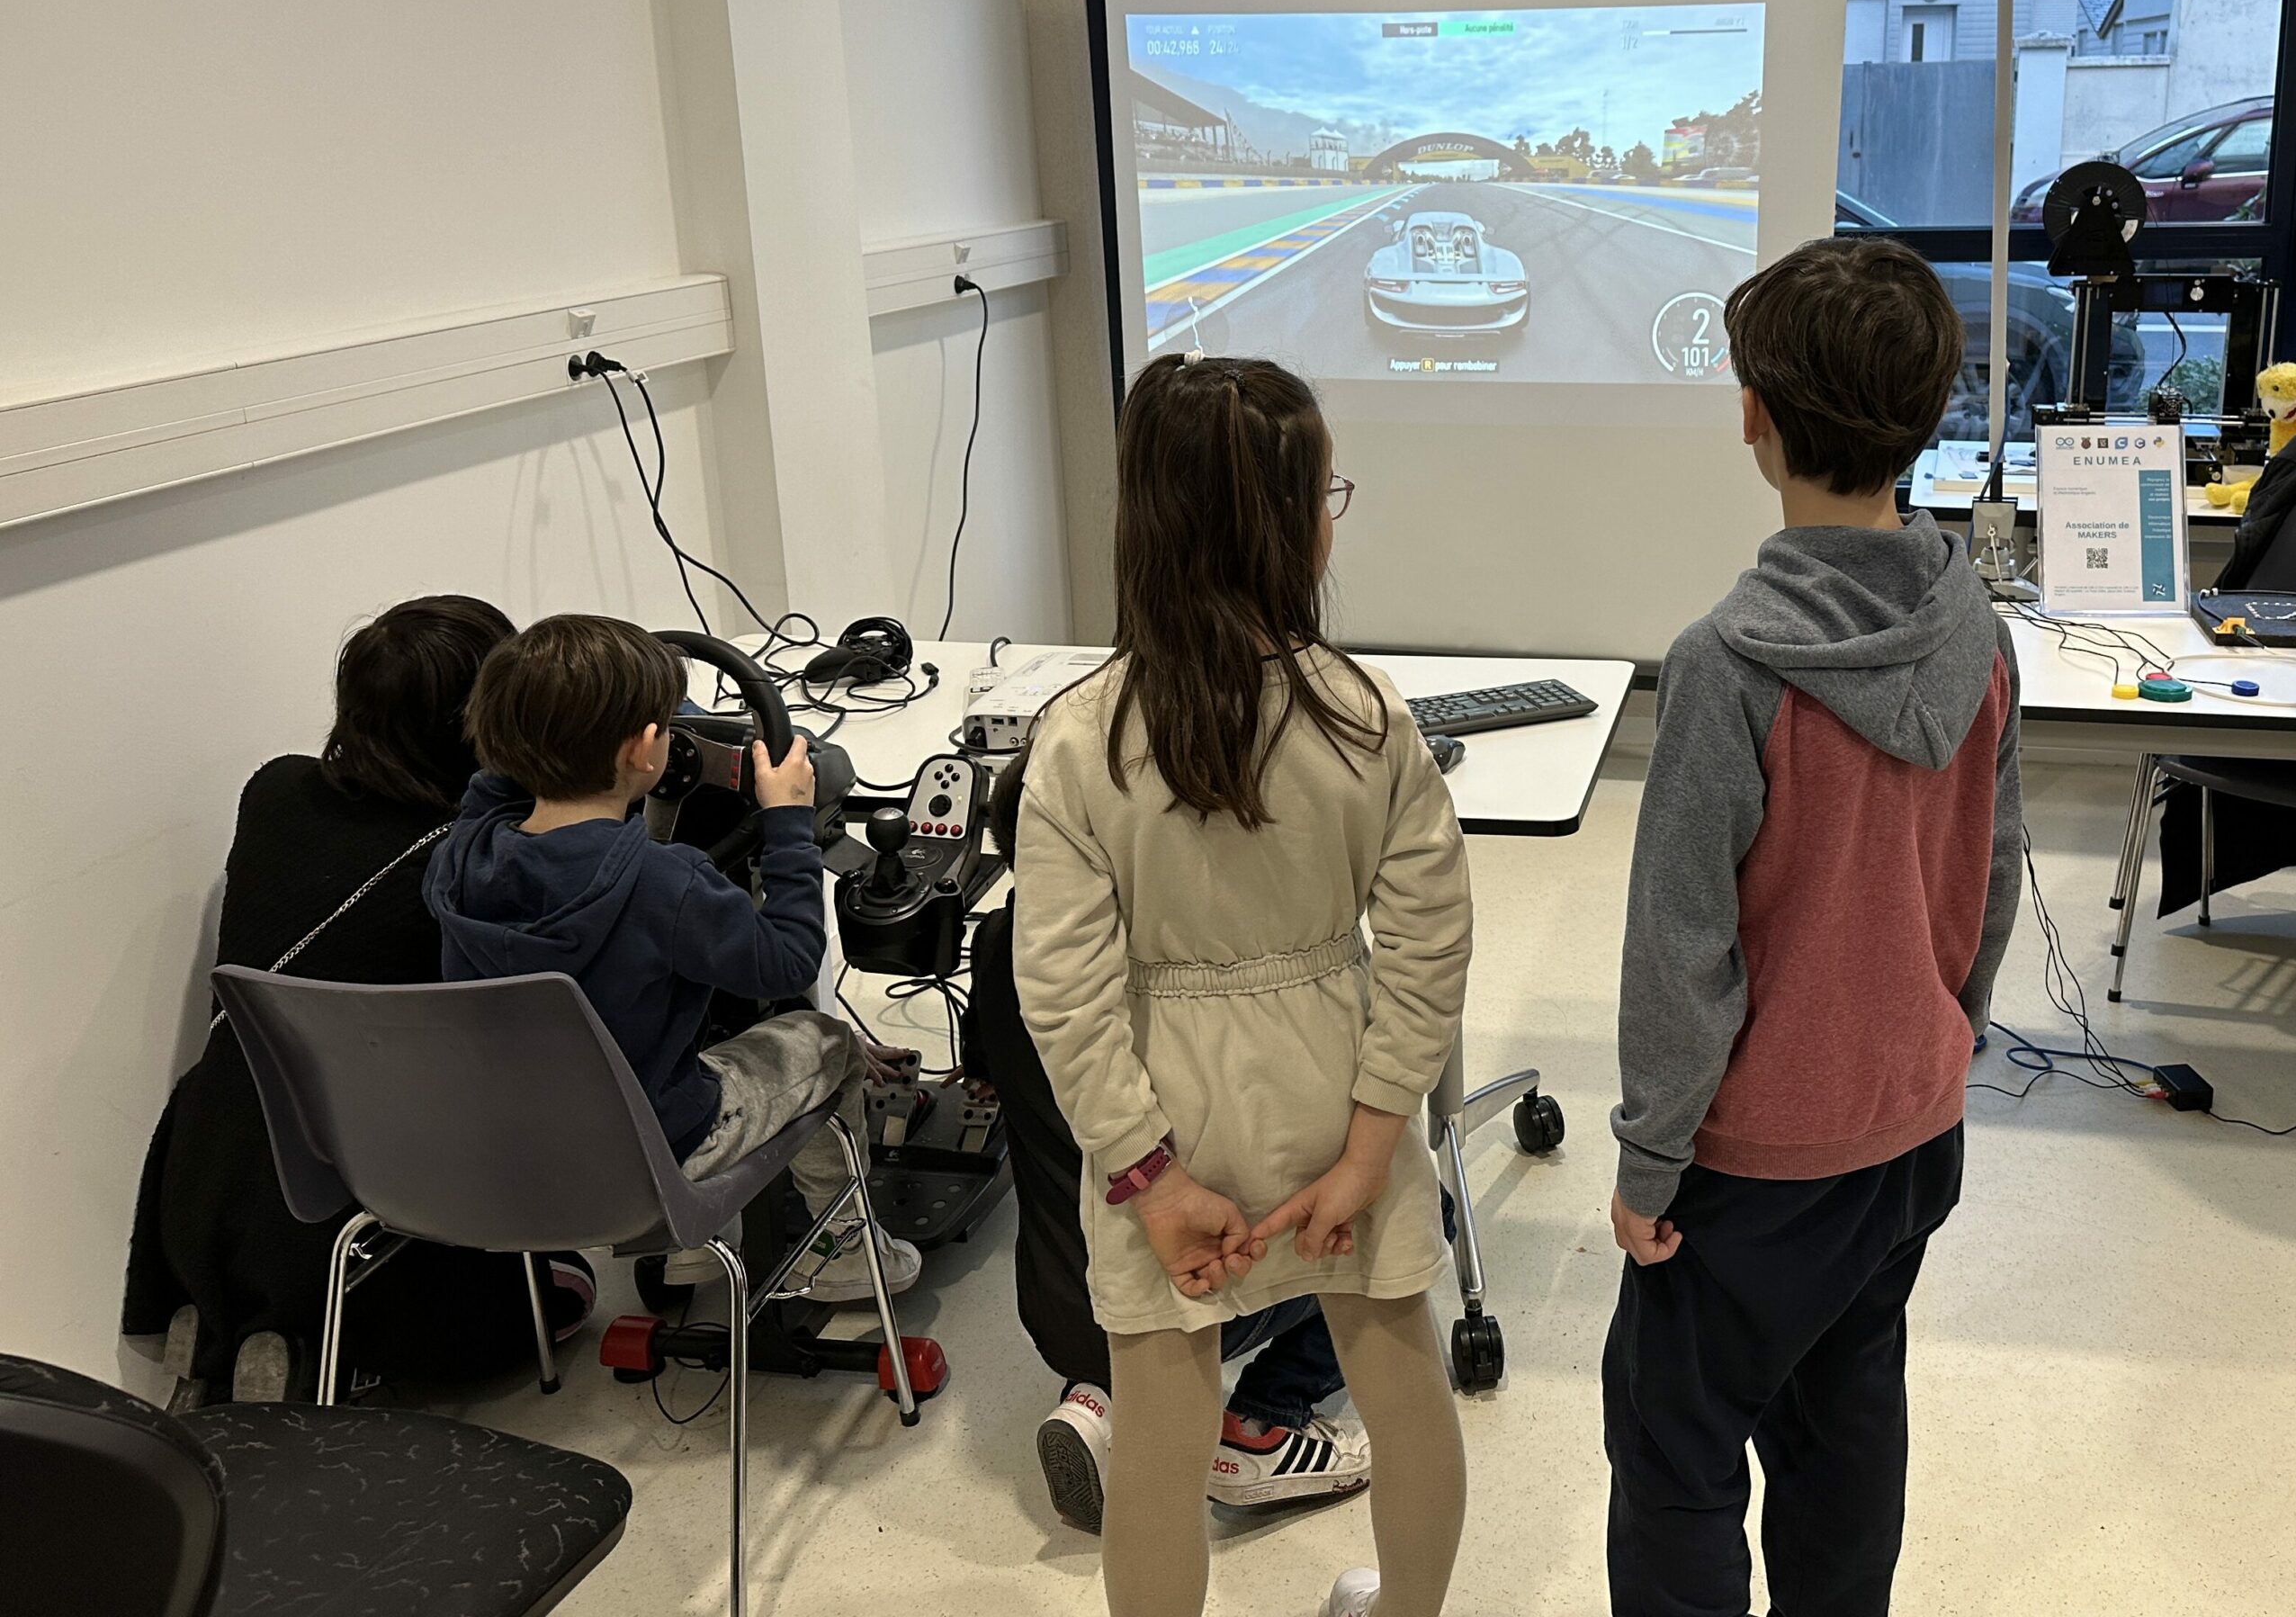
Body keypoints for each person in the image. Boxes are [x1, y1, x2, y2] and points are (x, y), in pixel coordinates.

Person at [1603, 237, 2023, 1617]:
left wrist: (1653, 1163)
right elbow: (1997, 868)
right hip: (1910, 1129)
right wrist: (1938, 1038)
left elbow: (1682, 947)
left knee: (1676, 1452)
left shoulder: (1729, 663)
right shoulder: (1981, 633)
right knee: (1849, 1420)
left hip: (1751, 1167)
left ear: (1751, 413)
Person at [1013, 355, 1472, 1617]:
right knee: (1400, 1378)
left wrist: (1148, 1176)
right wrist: (1373, 1147)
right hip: (1339, 1089)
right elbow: (1431, 947)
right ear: (1295, 522)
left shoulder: (1081, 737)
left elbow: (1061, 989)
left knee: (1160, 1431)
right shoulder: (1368, 716)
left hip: (1164, 1096)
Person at [123, 596, 596, 1407]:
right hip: (380, 1186)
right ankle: (332, 1335)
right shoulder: (479, 859)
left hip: (209, 1173)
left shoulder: (270, 792)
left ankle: (242, 1324)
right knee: (574, 1285)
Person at [424, 613, 920, 1300]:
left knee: (687, 1021)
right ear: (646, 750)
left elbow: (499, 784)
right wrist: (785, 822)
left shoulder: (462, 855)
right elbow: (789, 961)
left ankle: (702, 1252)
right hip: (657, 1156)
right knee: (825, 1039)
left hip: (516, 1161)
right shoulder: (666, 883)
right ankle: (844, 1252)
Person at [963, 750, 1371, 1534]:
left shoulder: (996, 948)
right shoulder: (1158, 977)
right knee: (1400, 1213)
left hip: (1053, 1304)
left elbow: (986, 1073)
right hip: (1186, 1289)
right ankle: (1257, 1426)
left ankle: (1101, 1400)